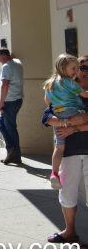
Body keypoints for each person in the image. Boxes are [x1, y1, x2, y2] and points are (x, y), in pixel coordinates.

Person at [44, 54, 88, 189]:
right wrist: (71, 122)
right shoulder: (69, 82)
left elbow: (47, 102)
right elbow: (85, 95)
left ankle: (54, 173)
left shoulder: (50, 82)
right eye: (75, 68)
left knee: (59, 147)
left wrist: (62, 120)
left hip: (58, 113)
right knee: (82, 115)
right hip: (72, 111)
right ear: (63, 68)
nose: (77, 71)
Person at [0, 48, 24, 165]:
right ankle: (12, 151)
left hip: (9, 101)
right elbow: (14, 57)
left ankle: (14, 154)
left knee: (10, 128)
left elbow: (5, 86)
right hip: (17, 99)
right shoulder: (18, 63)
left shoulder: (6, 67)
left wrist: (1, 103)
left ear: (2, 56)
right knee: (2, 125)